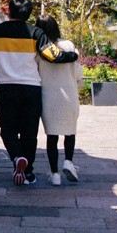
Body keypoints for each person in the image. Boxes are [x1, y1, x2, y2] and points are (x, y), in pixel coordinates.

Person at [0, 0, 43, 186]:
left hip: (5, 88)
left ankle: (17, 158)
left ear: (9, 10)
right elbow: (51, 54)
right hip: (31, 88)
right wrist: (71, 55)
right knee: (29, 133)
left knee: (7, 130)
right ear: (29, 13)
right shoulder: (36, 32)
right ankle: (29, 172)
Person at [34, 15, 82, 185]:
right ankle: (69, 161)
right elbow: (78, 73)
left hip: (48, 97)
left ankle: (54, 174)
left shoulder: (37, 49)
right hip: (69, 94)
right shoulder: (68, 46)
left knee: (52, 136)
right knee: (70, 132)